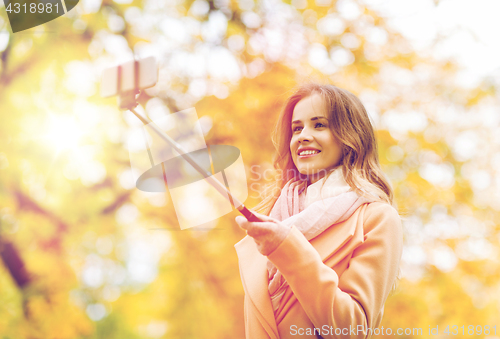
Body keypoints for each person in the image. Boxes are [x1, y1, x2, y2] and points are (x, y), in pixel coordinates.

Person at [234, 83, 403, 339]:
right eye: (297, 128)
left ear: (350, 137)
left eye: (319, 125)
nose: (303, 135)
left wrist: (288, 248)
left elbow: (354, 328)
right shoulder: (276, 214)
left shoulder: (376, 218)